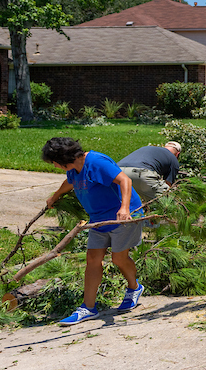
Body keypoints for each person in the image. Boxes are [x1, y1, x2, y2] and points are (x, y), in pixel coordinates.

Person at [42, 137, 145, 324]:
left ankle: (134, 288)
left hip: (124, 217)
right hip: (97, 220)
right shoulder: (74, 168)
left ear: (62, 160)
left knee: (118, 258)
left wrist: (124, 208)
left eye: (54, 163)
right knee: (92, 261)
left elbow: (125, 180)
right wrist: (55, 196)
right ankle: (88, 308)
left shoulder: (96, 162)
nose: (55, 166)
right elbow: (70, 183)